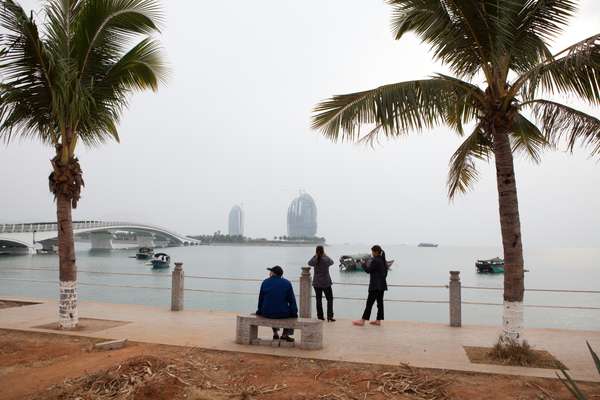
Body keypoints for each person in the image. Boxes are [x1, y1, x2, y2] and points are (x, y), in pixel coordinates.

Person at [256, 265, 298, 342]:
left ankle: (275, 333)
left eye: (270, 271)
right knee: (291, 312)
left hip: (266, 313)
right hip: (282, 313)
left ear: (273, 273)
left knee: (272, 306)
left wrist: (259, 311)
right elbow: (292, 301)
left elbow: (261, 299)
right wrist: (294, 313)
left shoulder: (265, 282)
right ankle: (285, 335)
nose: (269, 273)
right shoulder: (287, 283)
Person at [353, 245, 388, 326]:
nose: (372, 253)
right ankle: (378, 320)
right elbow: (385, 273)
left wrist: (363, 264)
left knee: (369, 303)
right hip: (382, 285)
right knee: (380, 303)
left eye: (372, 251)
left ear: (376, 252)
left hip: (375, 285)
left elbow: (368, 270)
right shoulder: (383, 260)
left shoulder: (375, 260)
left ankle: (362, 320)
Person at [307, 245, 335, 322]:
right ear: (323, 251)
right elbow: (332, 262)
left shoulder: (315, 259)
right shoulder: (325, 259)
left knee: (318, 300)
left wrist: (314, 256)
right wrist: (325, 255)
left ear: (316, 251)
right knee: (329, 299)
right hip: (326, 282)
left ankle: (320, 316)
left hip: (317, 283)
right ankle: (329, 316)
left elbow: (309, 263)